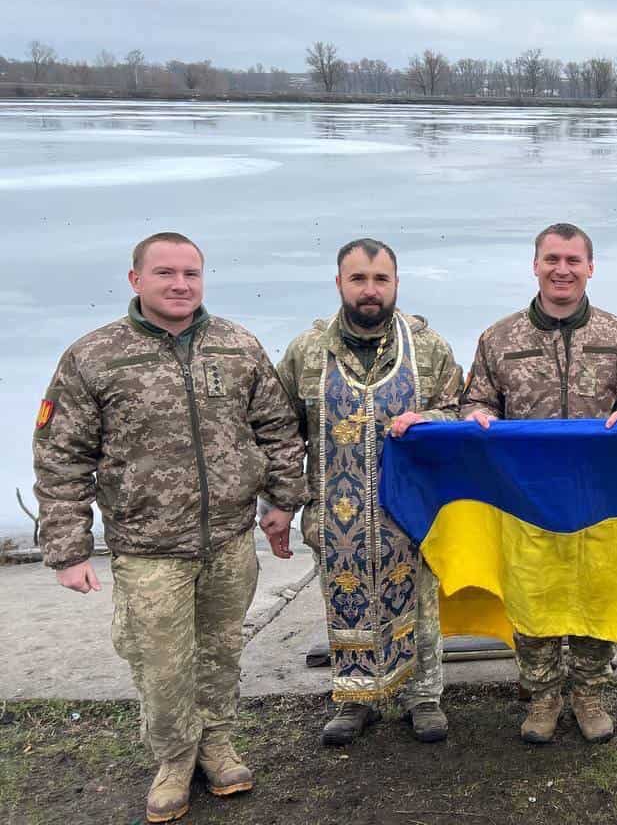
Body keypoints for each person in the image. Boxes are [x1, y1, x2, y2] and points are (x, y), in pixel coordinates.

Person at [32, 232, 306, 823]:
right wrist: (68, 549)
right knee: (160, 663)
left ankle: (218, 744)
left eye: (191, 273)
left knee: (220, 651)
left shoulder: (237, 347)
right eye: (165, 273)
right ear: (136, 280)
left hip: (231, 539)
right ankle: (174, 760)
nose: (180, 284)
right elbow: (61, 457)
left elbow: (278, 429)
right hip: (147, 546)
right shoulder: (95, 356)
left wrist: (283, 499)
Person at [272, 238, 463, 747]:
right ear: (339, 283)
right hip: (337, 515)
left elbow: (462, 411)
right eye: (359, 279)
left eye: (381, 279)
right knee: (345, 602)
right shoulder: (307, 351)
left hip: (411, 511)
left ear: (397, 283)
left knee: (420, 606)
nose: (370, 290)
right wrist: (281, 503)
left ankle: (423, 698)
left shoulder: (428, 348)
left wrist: (429, 419)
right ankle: (356, 700)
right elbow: (279, 430)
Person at [461, 222, 617, 745]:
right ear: (535, 265)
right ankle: (541, 695)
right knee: (533, 593)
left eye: (573, 260)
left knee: (595, 594)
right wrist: (475, 416)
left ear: (591, 267)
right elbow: (477, 399)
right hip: (526, 494)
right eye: (552, 259)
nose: (562, 270)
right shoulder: (499, 338)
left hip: (598, 493)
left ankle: (588, 692)